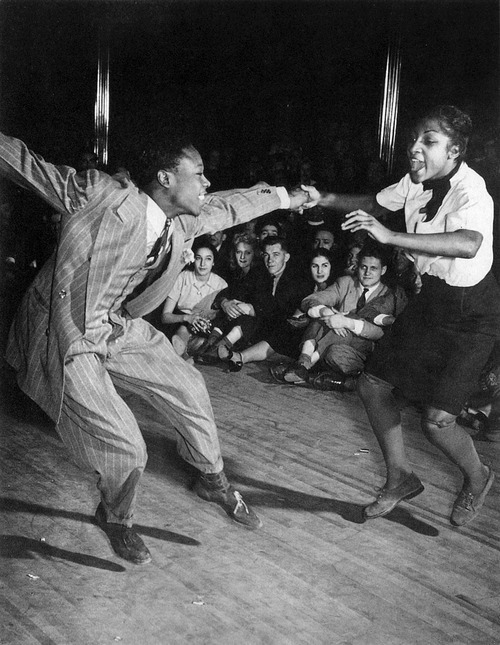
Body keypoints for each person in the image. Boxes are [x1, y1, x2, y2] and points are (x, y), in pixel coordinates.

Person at [1, 129, 310, 565]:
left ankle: (211, 477)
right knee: (128, 448)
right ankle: (116, 517)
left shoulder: (182, 220)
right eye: (199, 174)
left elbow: (228, 204)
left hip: (118, 323)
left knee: (188, 384)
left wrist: (283, 196)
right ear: (165, 178)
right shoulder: (101, 194)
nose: (206, 183)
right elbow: (27, 164)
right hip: (68, 331)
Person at [302, 105, 500, 526]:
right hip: (432, 303)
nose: (414, 148)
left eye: (428, 141)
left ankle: (479, 476)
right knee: (373, 387)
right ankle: (400, 478)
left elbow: (468, 244)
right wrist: (325, 198)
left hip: (473, 315)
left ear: (456, 151)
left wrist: (389, 235)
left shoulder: (472, 191)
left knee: (437, 423)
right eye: (414, 138)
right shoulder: (415, 181)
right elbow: (372, 202)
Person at [276, 243, 404, 391]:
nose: (367, 272)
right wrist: (325, 311)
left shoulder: (388, 295)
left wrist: (346, 322)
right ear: (358, 266)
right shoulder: (346, 282)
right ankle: (306, 367)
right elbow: (310, 300)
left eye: (373, 268)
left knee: (335, 347)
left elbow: (378, 333)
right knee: (323, 314)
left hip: (362, 349)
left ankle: (303, 365)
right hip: (334, 343)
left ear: (383, 270)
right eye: (363, 267)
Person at [233, 248, 336, 369]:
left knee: (285, 334)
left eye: (324, 266)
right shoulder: (307, 286)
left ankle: (241, 357)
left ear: (331, 267)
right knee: (283, 329)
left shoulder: (336, 287)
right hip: (303, 334)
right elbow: (297, 313)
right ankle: (240, 357)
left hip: (324, 337)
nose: (319, 271)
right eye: (315, 266)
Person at [160, 241, 227, 360]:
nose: (202, 264)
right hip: (180, 322)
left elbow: (223, 319)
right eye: (198, 258)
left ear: (213, 262)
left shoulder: (220, 285)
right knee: (183, 327)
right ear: (193, 260)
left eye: (208, 259)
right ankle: (182, 349)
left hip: (207, 328)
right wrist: (187, 318)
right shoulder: (183, 277)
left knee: (208, 339)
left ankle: (186, 351)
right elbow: (165, 316)